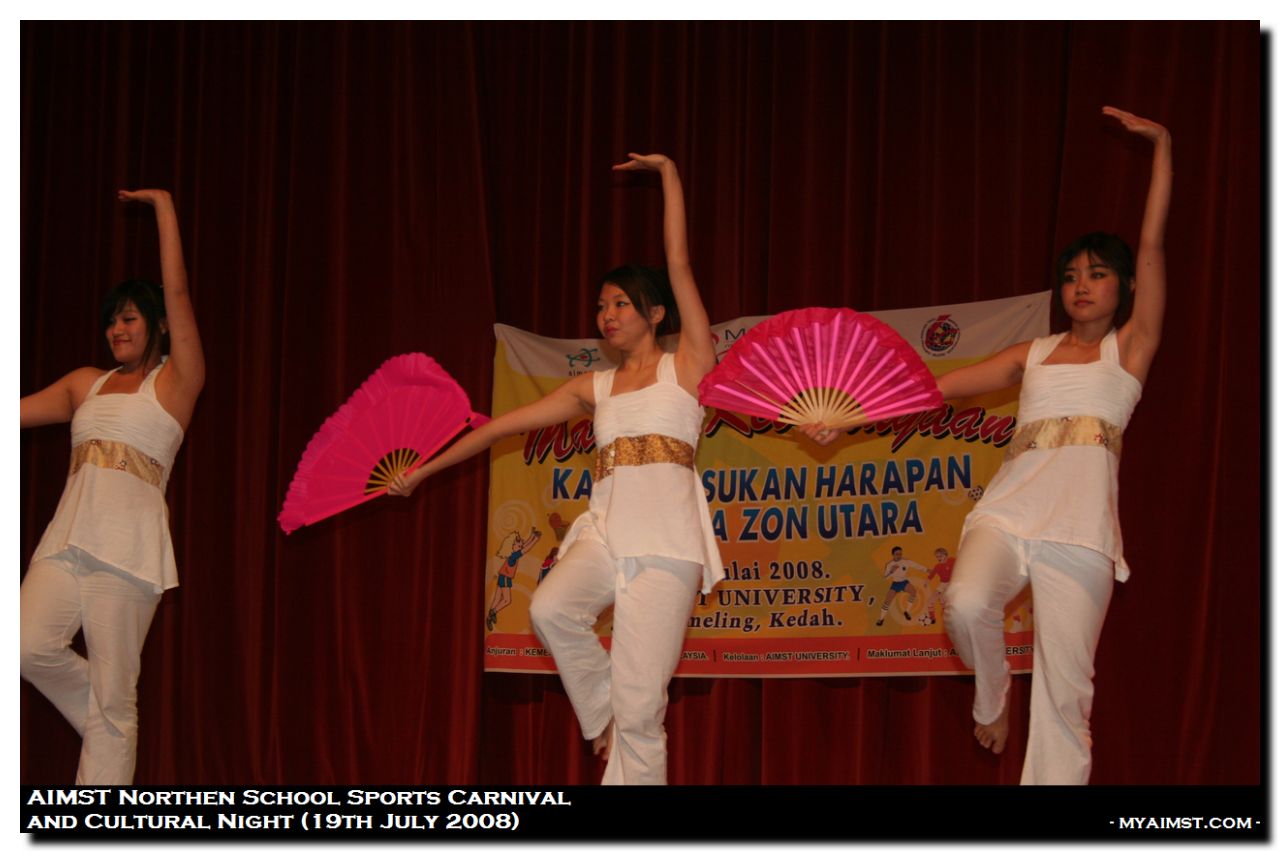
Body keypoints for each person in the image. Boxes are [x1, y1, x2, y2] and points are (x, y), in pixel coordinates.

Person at [803, 107, 1170, 784]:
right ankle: (992, 693)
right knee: (966, 602)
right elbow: (937, 389)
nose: (1081, 285)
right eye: (1071, 275)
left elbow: (1152, 247)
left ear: (1122, 286)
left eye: (1097, 274)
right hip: (1009, 512)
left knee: (1066, 694)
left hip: (1079, 532)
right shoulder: (1034, 352)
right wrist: (849, 419)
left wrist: (1163, 150)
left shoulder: (1130, 349)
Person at [390, 153, 723, 784]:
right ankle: (601, 712)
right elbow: (498, 427)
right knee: (549, 609)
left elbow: (678, 263)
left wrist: (670, 175)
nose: (608, 315)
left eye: (621, 303)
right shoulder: (594, 387)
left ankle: (622, 727)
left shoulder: (687, 366)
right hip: (606, 531)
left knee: (642, 710)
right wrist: (424, 471)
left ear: (656, 313)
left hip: (666, 546)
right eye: (602, 305)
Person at [20, 189, 206, 784]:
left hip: (128, 554)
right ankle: (108, 724)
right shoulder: (85, 383)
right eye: (110, 320)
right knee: (24, 646)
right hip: (66, 539)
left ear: (156, 325)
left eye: (129, 318)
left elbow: (178, 294)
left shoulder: (176, 383)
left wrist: (164, 209)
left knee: (116, 698)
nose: (116, 329)